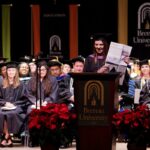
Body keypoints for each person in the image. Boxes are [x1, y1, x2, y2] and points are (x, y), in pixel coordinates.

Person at [0, 61, 29, 147]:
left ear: (16, 72)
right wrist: (5, 103)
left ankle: (6, 137)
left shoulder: (21, 84)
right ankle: (7, 137)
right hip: (3, 105)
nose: (11, 72)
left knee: (12, 113)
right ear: (6, 72)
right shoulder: (1, 83)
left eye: (13, 70)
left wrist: (14, 104)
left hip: (17, 106)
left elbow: (24, 98)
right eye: (9, 71)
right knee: (1, 113)